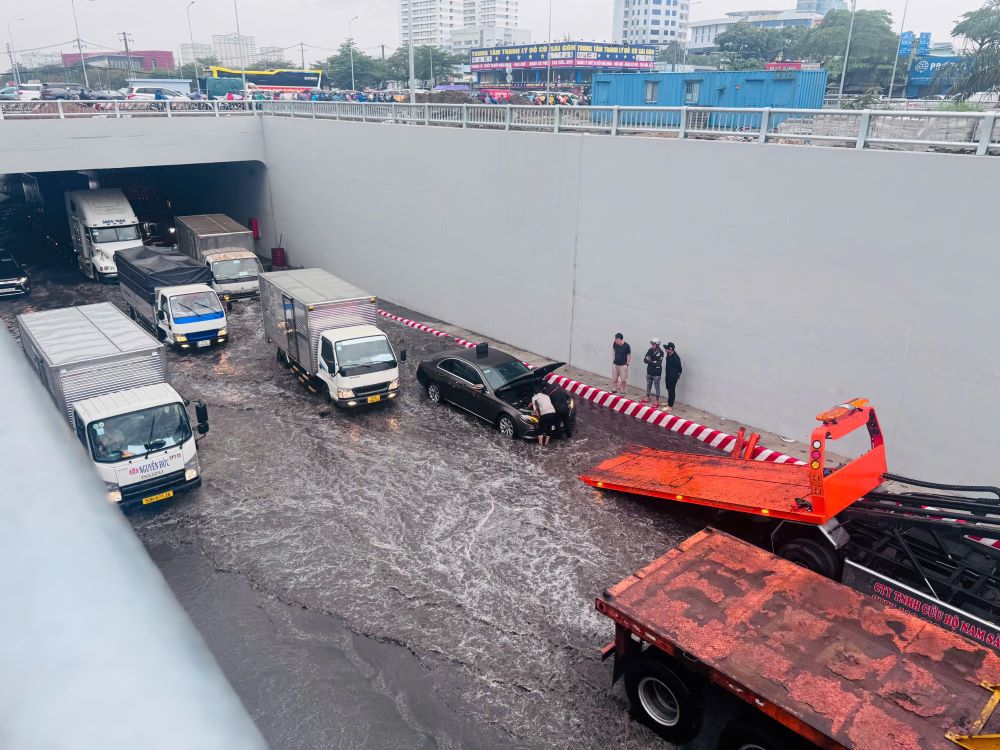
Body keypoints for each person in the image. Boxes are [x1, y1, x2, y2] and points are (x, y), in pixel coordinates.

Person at [642, 338, 664, 407]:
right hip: (649, 371)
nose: (652, 345)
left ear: (657, 345)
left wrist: (650, 361)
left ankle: (657, 401)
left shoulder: (661, 352)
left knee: (657, 386)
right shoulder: (650, 350)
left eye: (653, 344)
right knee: (648, 385)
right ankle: (647, 398)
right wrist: (652, 362)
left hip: (657, 373)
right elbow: (645, 360)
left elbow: (658, 363)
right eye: (652, 344)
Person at [663, 342, 683, 412]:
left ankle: (670, 406)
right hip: (668, 374)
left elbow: (680, 368)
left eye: (667, 349)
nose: (665, 350)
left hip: (673, 376)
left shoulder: (676, 358)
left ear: (670, 349)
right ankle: (669, 402)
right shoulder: (668, 354)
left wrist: (678, 375)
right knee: (668, 388)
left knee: (671, 389)